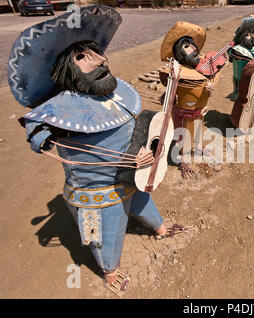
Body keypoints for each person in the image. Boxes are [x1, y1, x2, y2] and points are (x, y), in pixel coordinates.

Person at [8, 5, 182, 296]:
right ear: (66, 68)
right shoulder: (58, 109)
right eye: (82, 56)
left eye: (95, 51)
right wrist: (42, 138)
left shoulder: (116, 92)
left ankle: (160, 229)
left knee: (142, 202)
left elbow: (139, 121)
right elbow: (36, 129)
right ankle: (109, 272)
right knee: (103, 236)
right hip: (96, 195)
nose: (100, 59)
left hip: (134, 174)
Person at [159, 21, 223, 178]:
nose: (193, 48)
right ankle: (184, 156)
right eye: (187, 46)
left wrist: (211, 84)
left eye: (192, 45)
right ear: (179, 52)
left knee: (198, 127)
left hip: (200, 109)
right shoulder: (177, 68)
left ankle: (198, 145)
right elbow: (166, 78)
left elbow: (215, 73)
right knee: (184, 132)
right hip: (184, 110)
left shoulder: (203, 65)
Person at [227, 16, 254, 101]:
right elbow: (244, 57)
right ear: (243, 37)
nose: (252, 36)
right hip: (240, 80)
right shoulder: (236, 50)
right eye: (248, 35)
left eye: (251, 33)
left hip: (252, 78)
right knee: (240, 99)